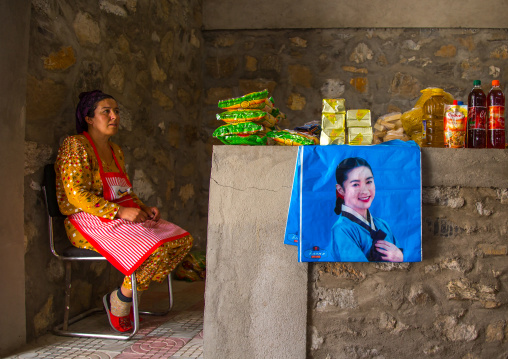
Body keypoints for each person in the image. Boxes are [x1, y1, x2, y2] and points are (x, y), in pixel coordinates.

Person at [55, 90, 193, 333]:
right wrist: (120, 212)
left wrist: (142, 209)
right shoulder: (75, 145)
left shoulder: (115, 150)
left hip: (118, 217)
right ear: (88, 118)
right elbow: (75, 194)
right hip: (85, 222)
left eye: (116, 111)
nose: (114, 116)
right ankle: (121, 302)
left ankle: (120, 296)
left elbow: (123, 191)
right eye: (106, 111)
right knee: (155, 249)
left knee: (180, 240)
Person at [330, 157, 403, 262]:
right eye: (355, 184)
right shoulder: (341, 230)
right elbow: (359, 272)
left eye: (369, 182)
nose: (365, 191)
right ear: (341, 190)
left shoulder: (382, 224)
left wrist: (400, 257)